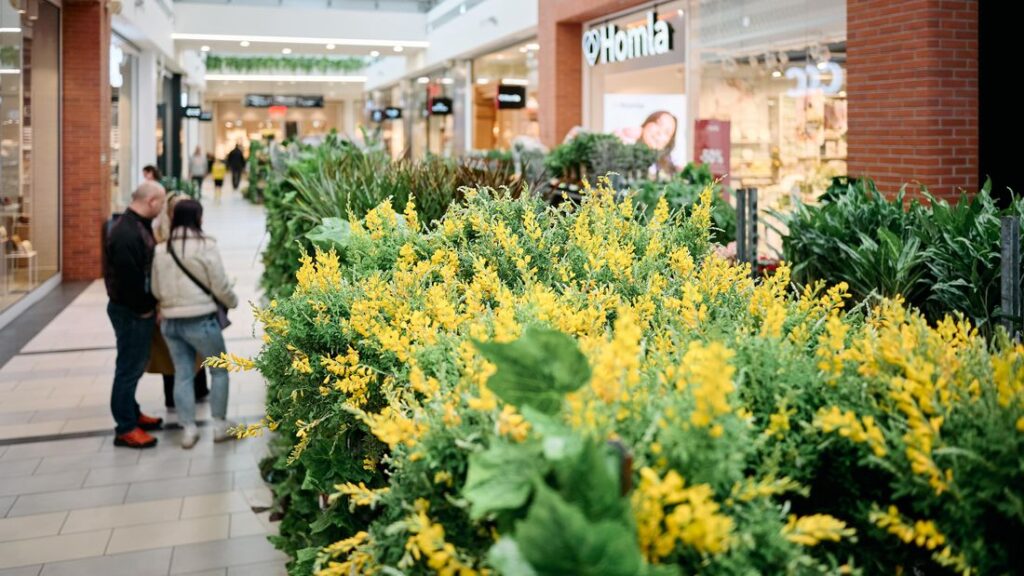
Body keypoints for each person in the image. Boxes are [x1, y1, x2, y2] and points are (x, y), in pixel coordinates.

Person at [151, 199, 239, 449]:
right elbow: (219, 283)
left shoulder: (161, 250)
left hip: (170, 323)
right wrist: (232, 301)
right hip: (201, 321)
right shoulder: (205, 246)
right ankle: (220, 426)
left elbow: (155, 289)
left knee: (182, 374)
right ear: (198, 218)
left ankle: (188, 430)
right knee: (219, 370)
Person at [104, 180, 167, 449]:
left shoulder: (136, 225)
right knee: (128, 369)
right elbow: (130, 280)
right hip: (131, 312)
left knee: (134, 365)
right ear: (151, 201)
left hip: (134, 309)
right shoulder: (126, 233)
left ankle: (131, 412)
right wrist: (145, 309)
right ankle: (126, 427)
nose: (162, 208)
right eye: (161, 202)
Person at [152, 192, 211, 410]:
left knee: (181, 354)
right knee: (176, 357)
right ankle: (183, 396)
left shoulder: (160, 239)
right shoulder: (163, 240)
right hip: (176, 307)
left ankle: (195, 390)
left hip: (170, 308)